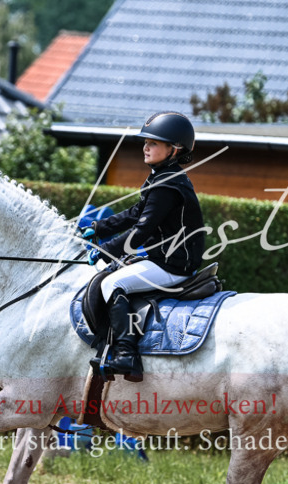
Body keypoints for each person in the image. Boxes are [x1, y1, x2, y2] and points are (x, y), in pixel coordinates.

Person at [81, 111, 206, 380]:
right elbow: (135, 213)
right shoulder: (162, 177)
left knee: (111, 284)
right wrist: (98, 228)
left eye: (154, 143)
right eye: (146, 141)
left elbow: (140, 232)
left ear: (175, 149)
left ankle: (126, 354)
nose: (146, 147)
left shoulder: (168, 184)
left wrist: (107, 250)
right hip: (163, 259)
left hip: (173, 265)